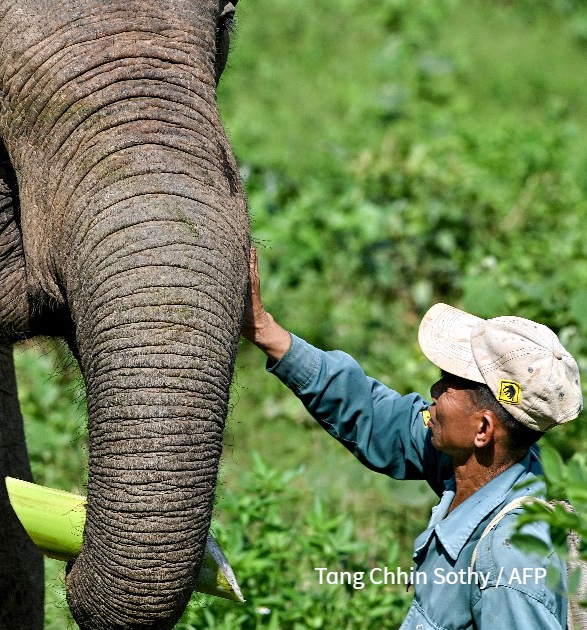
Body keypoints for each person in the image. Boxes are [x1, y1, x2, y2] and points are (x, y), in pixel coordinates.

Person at [242, 247, 584, 629]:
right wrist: (265, 330)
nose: (434, 391)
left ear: (483, 430)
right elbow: (377, 414)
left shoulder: (508, 561)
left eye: (449, 384)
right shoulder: (484, 466)